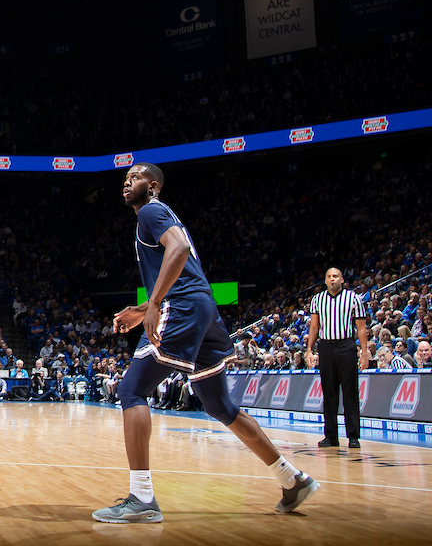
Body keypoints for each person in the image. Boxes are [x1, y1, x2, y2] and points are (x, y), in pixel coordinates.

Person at [94, 164, 319, 523]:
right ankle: (291, 478)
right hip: (203, 309)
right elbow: (185, 269)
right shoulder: (156, 217)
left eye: (135, 177)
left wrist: (153, 304)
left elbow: (179, 249)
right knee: (220, 406)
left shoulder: (151, 211)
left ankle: (142, 498)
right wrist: (142, 307)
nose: (126, 181)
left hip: (182, 306)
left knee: (131, 391)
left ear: (152, 186)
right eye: (126, 177)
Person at [304, 267, 369, 448]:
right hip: (325, 347)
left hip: (346, 346)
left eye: (336, 276)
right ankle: (331, 436)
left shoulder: (354, 298)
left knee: (350, 391)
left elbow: (361, 328)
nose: (332, 279)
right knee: (329, 392)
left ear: (342, 280)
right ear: (325, 280)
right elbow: (315, 327)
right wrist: (309, 349)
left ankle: (353, 436)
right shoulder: (317, 300)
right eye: (329, 277)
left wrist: (364, 353)